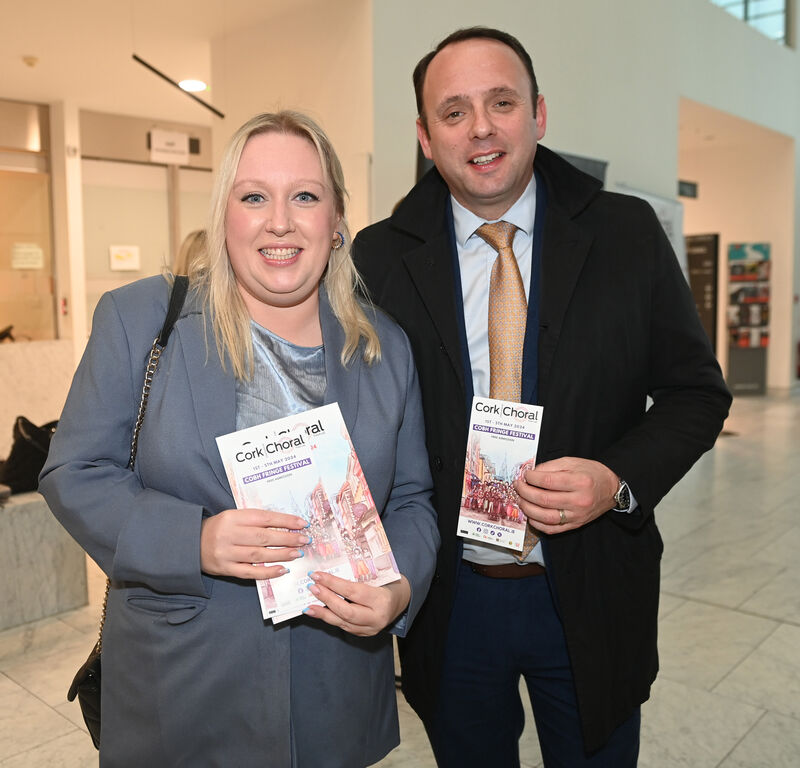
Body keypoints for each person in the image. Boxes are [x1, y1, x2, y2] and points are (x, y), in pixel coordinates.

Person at [353, 27, 731, 768]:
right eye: (454, 112)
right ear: (426, 138)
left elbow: (696, 394)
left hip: (590, 589)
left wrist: (616, 481)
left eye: (502, 102)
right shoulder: (380, 257)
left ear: (540, 113)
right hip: (449, 603)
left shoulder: (625, 235)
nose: (482, 127)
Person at [40, 110, 439, 767]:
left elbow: (414, 500)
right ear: (224, 214)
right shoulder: (142, 321)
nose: (278, 221)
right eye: (254, 196)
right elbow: (74, 472)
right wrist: (192, 538)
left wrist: (398, 590)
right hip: (183, 689)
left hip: (332, 689)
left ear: (337, 220)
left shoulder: (384, 347)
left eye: (304, 196)